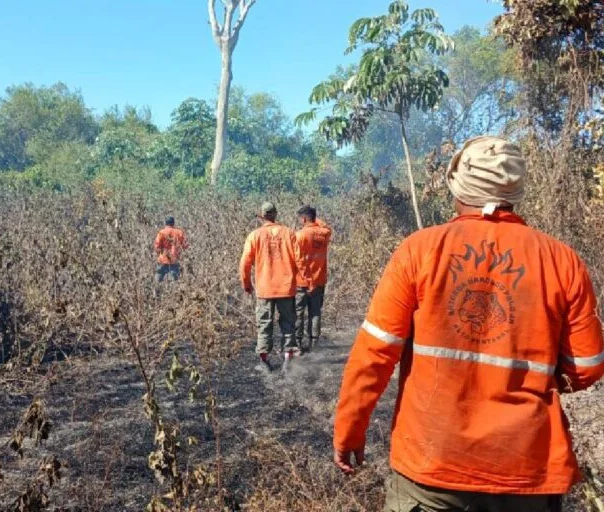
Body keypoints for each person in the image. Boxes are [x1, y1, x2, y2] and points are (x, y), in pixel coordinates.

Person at [333, 136, 604, 512]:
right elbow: (586, 367)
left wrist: (349, 430)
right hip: (526, 471)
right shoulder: (563, 261)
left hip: (432, 469)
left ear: (457, 183)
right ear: (515, 189)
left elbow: (374, 355)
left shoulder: (420, 250)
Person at [239, 202, 306, 372]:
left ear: (261, 216)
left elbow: (245, 263)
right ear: (275, 214)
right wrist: (305, 280)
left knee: (264, 324)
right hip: (286, 288)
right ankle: (287, 359)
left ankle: (264, 360)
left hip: (264, 289)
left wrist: (246, 284)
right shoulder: (289, 233)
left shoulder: (255, 235)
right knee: (288, 323)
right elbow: (300, 260)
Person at [294, 205, 332, 353]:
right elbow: (326, 226)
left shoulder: (299, 235)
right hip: (319, 281)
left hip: (302, 282)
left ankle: (297, 344)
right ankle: (314, 344)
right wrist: (315, 219)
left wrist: (307, 279)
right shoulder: (324, 233)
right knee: (315, 312)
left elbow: (298, 261)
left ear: (303, 219)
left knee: (298, 313)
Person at [153, 216, 187, 283]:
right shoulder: (179, 232)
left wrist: (159, 253)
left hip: (162, 259)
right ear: (173, 223)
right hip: (174, 259)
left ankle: (158, 289)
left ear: (165, 223)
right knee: (174, 281)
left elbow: (157, 246)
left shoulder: (161, 232)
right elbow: (185, 246)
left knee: (158, 279)